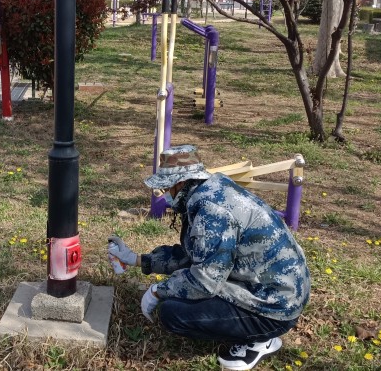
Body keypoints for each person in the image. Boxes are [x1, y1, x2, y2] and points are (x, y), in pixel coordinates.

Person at [107, 145, 310, 371]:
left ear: (181, 183)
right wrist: (138, 259)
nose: (164, 194)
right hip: (274, 289)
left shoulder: (212, 211)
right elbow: (196, 255)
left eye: (166, 187)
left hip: (274, 307)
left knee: (172, 313)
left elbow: (205, 281)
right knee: (179, 296)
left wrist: (159, 290)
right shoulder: (211, 190)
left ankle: (260, 339)